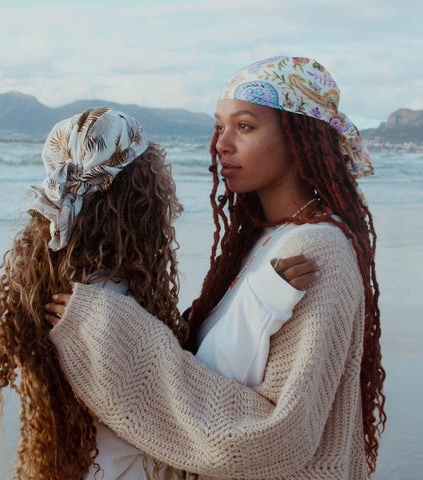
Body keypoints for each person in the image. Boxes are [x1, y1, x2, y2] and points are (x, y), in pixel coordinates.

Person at [46, 56, 386, 479]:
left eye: (244, 126)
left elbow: (279, 434)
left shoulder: (316, 247)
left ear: (300, 138)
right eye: (219, 126)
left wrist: (118, 334)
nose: (222, 143)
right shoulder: (265, 238)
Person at [0, 105, 316, 480]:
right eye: (156, 173)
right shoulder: (99, 300)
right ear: (138, 192)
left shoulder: (64, 274)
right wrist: (263, 302)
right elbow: (191, 408)